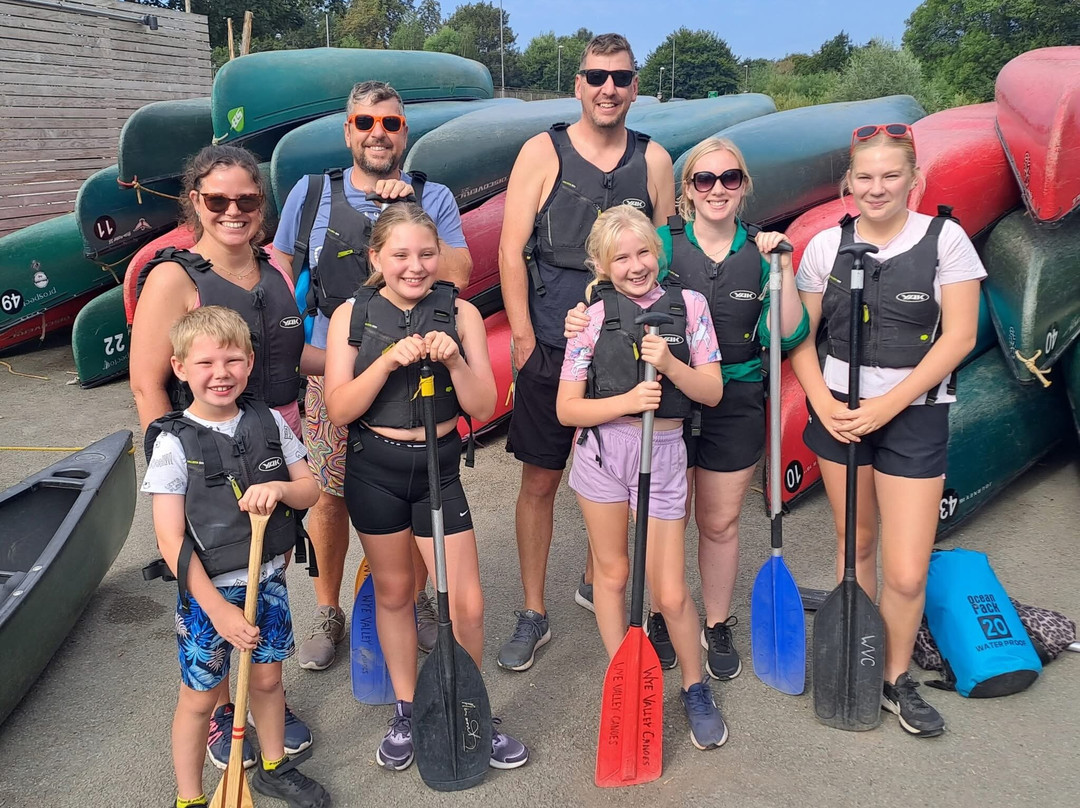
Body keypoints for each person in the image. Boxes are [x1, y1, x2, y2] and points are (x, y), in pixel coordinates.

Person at [567, 138, 810, 678]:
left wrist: (783, 269)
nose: (717, 188)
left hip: (732, 396)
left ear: (743, 185)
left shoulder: (762, 250)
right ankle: (661, 614)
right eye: (704, 179)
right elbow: (614, 283)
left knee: (719, 522)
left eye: (728, 178)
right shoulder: (663, 244)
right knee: (660, 523)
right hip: (662, 402)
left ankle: (715, 623)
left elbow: (789, 332)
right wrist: (578, 322)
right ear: (687, 191)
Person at [788, 123, 985, 737]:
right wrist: (822, 404)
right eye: (865, 177)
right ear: (850, 182)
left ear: (914, 180)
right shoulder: (826, 247)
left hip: (913, 417)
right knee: (857, 546)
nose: (878, 188)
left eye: (891, 175)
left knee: (905, 570)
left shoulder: (945, 240)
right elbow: (797, 336)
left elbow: (960, 336)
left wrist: (888, 405)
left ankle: (895, 680)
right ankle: (860, 656)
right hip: (841, 415)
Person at [272, 80, 472, 671]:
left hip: (415, 369)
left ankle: (417, 602)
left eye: (390, 123)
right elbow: (282, 269)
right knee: (331, 498)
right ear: (348, 131)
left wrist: (405, 207)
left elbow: (458, 268)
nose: (378, 133)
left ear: (404, 132)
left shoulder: (431, 197)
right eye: (366, 122)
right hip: (332, 368)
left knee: (416, 489)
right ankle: (330, 610)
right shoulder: (310, 194)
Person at [322, 204, 528, 771]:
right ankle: (410, 709)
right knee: (394, 594)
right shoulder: (351, 315)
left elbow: (484, 407)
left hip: (439, 470)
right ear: (375, 259)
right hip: (376, 470)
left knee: (466, 602)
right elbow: (340, 409)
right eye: (401, 256)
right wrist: (386, 362)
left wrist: (457, 358)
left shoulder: (458, 313)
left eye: (426, 255)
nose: (415, 267)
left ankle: (469, 708)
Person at [130, 144, 314, 770]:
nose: (233, 211)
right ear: (195, 204)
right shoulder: (173, 276)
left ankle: (259, 688)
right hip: (206, 453)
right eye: (218, 200)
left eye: (247, 199)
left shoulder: (274, 267)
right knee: (213, 578)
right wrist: (179, 465)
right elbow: (148, 383)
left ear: (262, 205)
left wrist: (370, 358)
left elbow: (293, 357)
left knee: (264, 572)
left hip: (273, 439)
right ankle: (220, 711)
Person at [497, 32, 676, 671]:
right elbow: (511, 249)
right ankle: (533, 610)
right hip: (553, 344)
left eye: (621, 78)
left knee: (634, 480)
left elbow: (666, 254)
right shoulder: (541, 153)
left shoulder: (654, 161)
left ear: (635, 86)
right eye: (597, 77)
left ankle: (620, 590)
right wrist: (521, 340)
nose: (608, 89)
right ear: (578, 84)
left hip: (628, 355)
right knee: (541, 479)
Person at [141, 306, 329, 808]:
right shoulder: (172, 444)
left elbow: (310, 489)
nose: (219, 373)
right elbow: (170, 540)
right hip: (209, 596)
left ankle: (272, 766)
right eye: (204, 363)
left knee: (268, 680)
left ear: (248, 362)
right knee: (201, 698)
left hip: (266, 581)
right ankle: (189, 797)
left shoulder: (268, 422)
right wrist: (218, 611)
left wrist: (279, 490)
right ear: (180, 368)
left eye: (231, 360)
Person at [557, 205, 729, 750]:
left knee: (671, 591)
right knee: (611, 574)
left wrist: (672, 365)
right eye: (621, 257)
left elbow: (713, 391)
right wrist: (628, 400)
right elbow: (567, 409)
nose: (636, 265)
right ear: (602, 266)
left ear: (658, 253)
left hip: (666, 451)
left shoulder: (691, 306)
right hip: (604, 454)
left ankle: (695, 687)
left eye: (643, 253)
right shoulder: (588, 315)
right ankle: (625, 672)